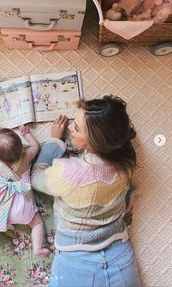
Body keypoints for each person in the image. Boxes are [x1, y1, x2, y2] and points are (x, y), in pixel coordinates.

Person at [31, 95, 141, 287]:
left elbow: (36, 177)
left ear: (96, 142)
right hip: (120, 257)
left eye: (77, 128)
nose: (71, 128)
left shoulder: (67, 172)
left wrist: (55, 141)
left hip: (75, 260)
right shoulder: (127, 162)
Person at [0, 125, 50, 269]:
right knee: (36, 223)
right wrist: (27, 134)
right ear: (21, 147)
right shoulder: (26, 157)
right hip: (24, 207)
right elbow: (36, 146)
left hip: (4, 210)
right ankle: (38, 248)